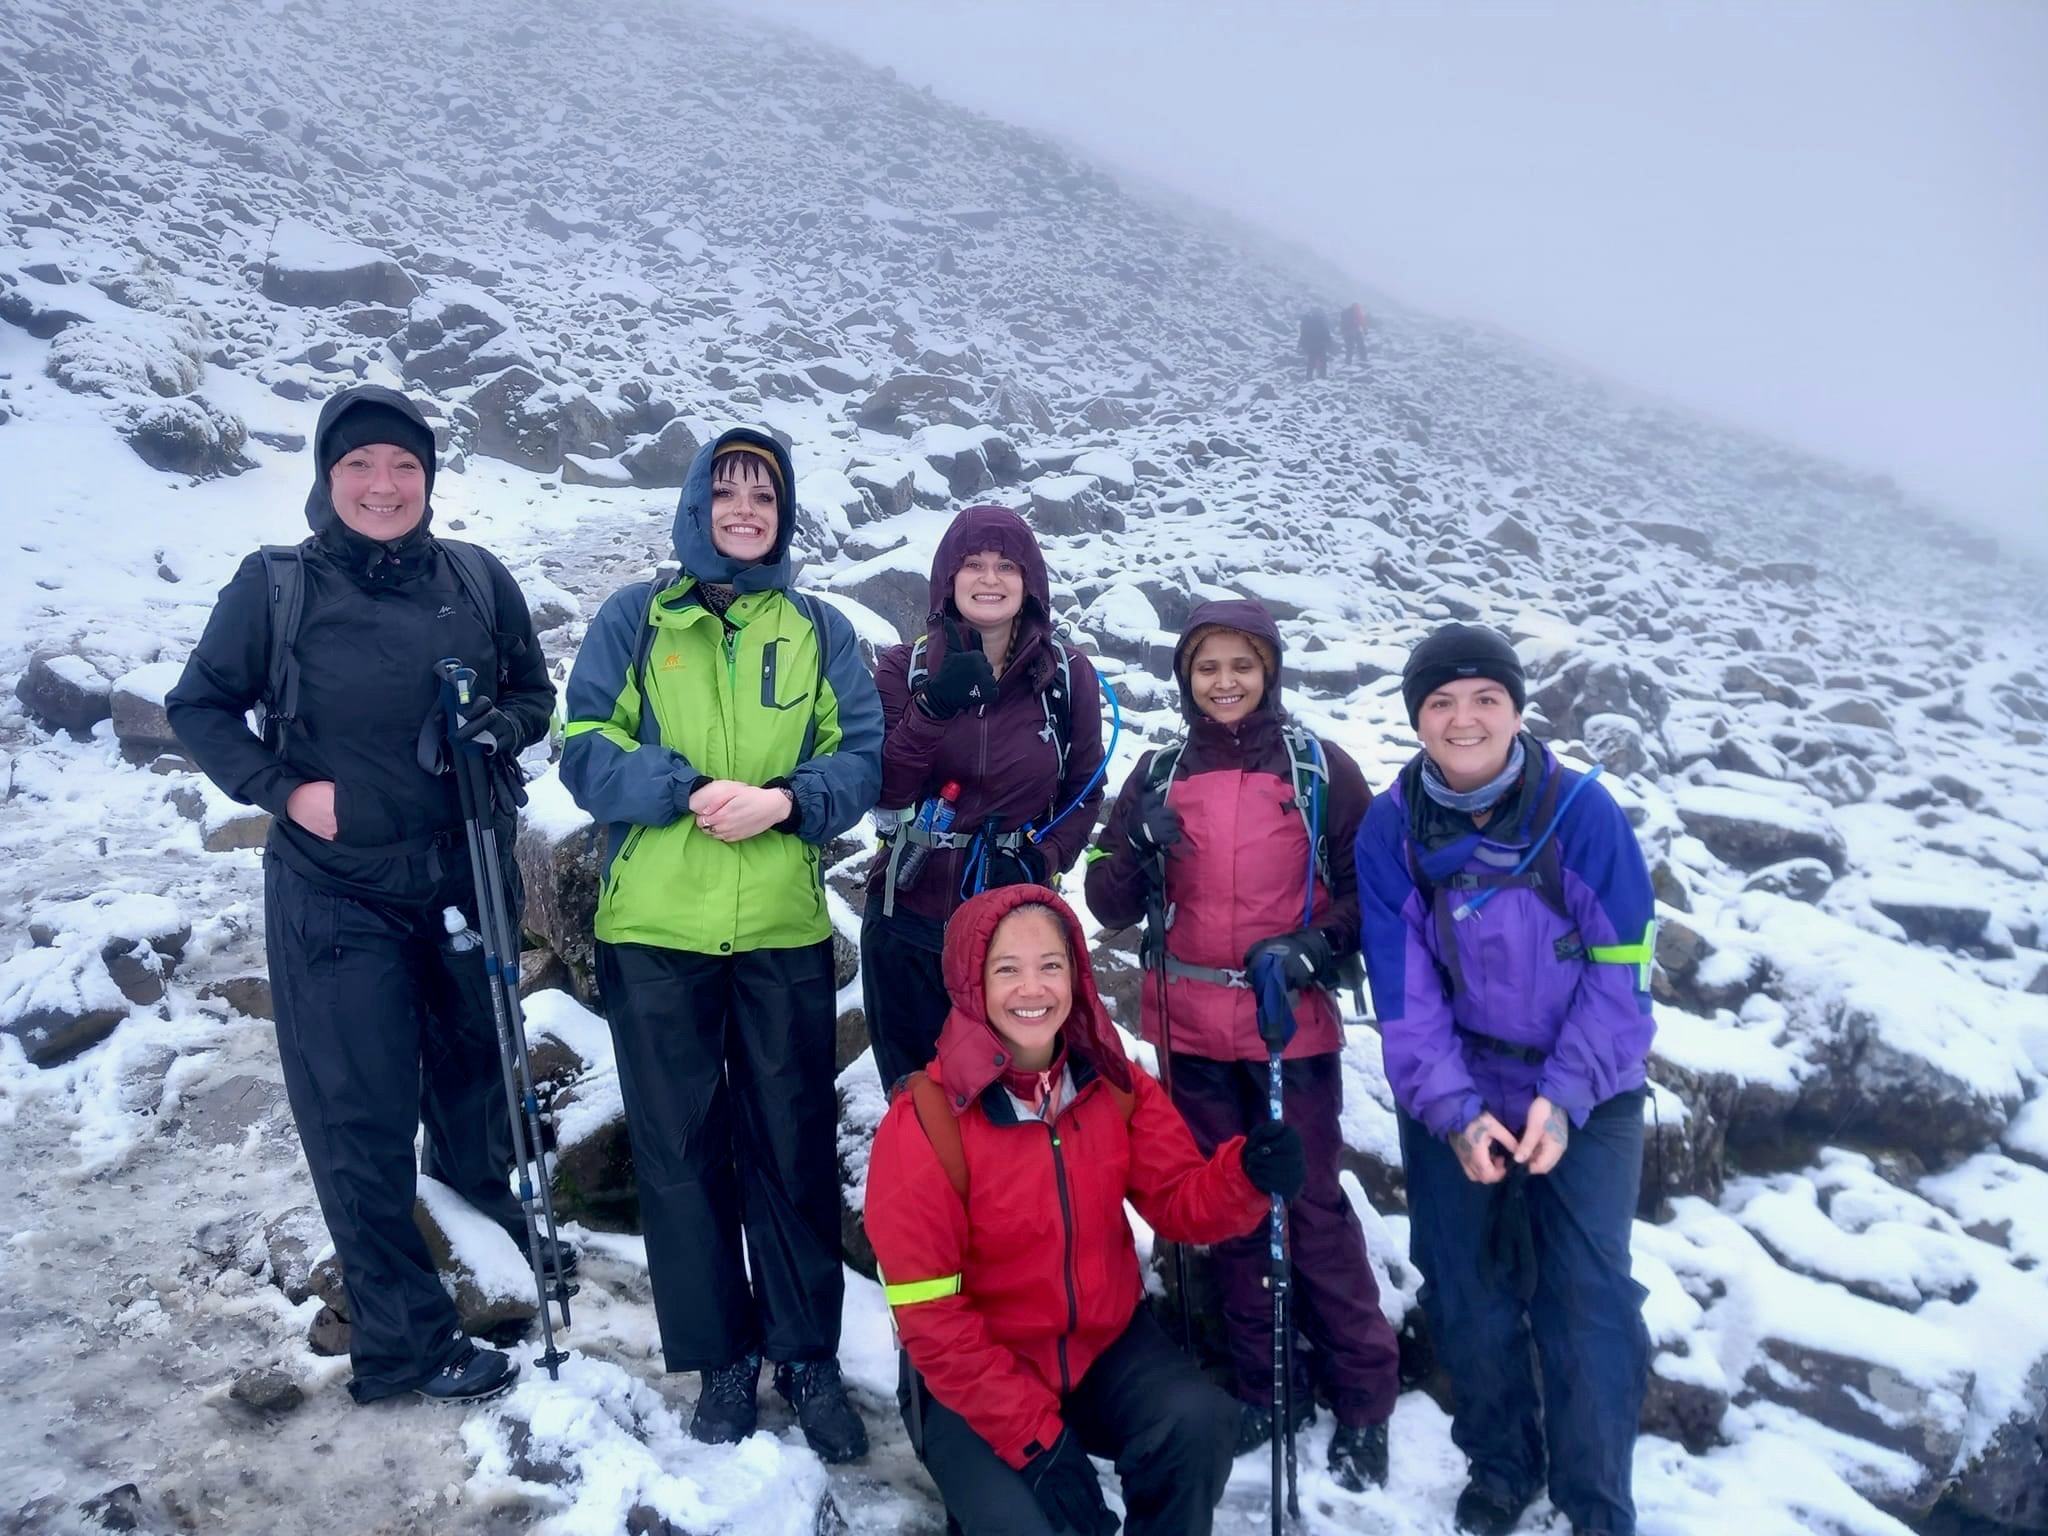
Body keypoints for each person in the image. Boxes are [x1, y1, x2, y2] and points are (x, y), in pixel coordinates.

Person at [166, 384, 556, 1404]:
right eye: (360, 465)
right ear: (327, 477)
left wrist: (501, 729)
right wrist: (285, 791)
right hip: (336, 895)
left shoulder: (476, 577)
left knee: (473, 1082)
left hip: (463, 873)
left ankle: (486, 1250)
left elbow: (532, 692)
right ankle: (402, 1342)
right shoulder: (278, 586)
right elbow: (199, 705)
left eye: (404, 466)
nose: (384, 485)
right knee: (360, 1113)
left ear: (428, 478)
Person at [559, 427, 883, 1462]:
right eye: (728, 490)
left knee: (791, 1146)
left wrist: (785, 800)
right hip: (655, 929)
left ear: (782, 516)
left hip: (780, 930)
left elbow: (860, 757)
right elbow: (583, 747)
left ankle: (807, 1356)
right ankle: (722, 1361)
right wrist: (685, 788)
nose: (745, 509)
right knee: (679, 1151)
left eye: (764, 495)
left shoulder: (817, 628)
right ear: (697, 503)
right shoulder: (635, 619)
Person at [865, 885, 1308, 1536]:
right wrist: (1036, 1442)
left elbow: (1179, 1200)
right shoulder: (926, 1122)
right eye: (1006, 969)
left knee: (1194, 1424)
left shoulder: (1111, 1084)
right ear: (970, 983)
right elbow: (931, 1318)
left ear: (1076, 974)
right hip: (974, 1377)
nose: (1032, 988)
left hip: (1103, 1348)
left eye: (1051, 965)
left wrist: (1246, 1178)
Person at [1086, 598, 1400, 1491]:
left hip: (1285, 1025)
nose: (1224, 682)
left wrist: (1314, 946)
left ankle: (1365, 1396)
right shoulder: (1159, 771)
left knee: (1310, 1207)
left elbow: (1366, 891)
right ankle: (1270, 1386)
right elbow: (1106, 899)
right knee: (1227, 1207)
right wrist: (1134, 845)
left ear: (1269, 671)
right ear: (1186, 677)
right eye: (1207, 666)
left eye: (1242, 665)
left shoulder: (1318, 769)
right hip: (1189, 1030)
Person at [1355, 623, 1656, 1536]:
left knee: (1588, 1295)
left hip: (1588, 1087)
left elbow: (1621, 975)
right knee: (1462, 1287)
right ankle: (1502, 1463)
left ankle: (1596, 1498)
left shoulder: (1583, 815)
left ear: (1518, 710)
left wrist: (1563, 1102)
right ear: (1417, 720)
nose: (1464, 718)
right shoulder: (1393, 829)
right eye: (1441, 701)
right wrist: (1453, 1112)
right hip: (1459, 1081)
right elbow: (1403, 993)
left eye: (1486, 697)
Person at [862, 504, 1106, 1094]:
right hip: (908, 920)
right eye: (973, 564)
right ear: (948, 577)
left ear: (1030, 582)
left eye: (1006, 566)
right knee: (918, 1105)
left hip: (1014, 933)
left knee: (1009, 1108)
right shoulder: (903, 669)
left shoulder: (1066, 676)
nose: (989, 579)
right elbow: (883, 788)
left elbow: (1085, 791)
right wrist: (932, 709)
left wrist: (1040, 859)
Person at [1299, 309, 1332, 380]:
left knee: (1311, 361)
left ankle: (1309, 377)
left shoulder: (1308, 322)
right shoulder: (1321, 321)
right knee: (1322, 360)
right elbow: (1326, 332)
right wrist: (1329, 342)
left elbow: (1303, 333)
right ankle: (1323, 376)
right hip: (1320, 345)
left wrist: (1302, 344)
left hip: (1311, 345)